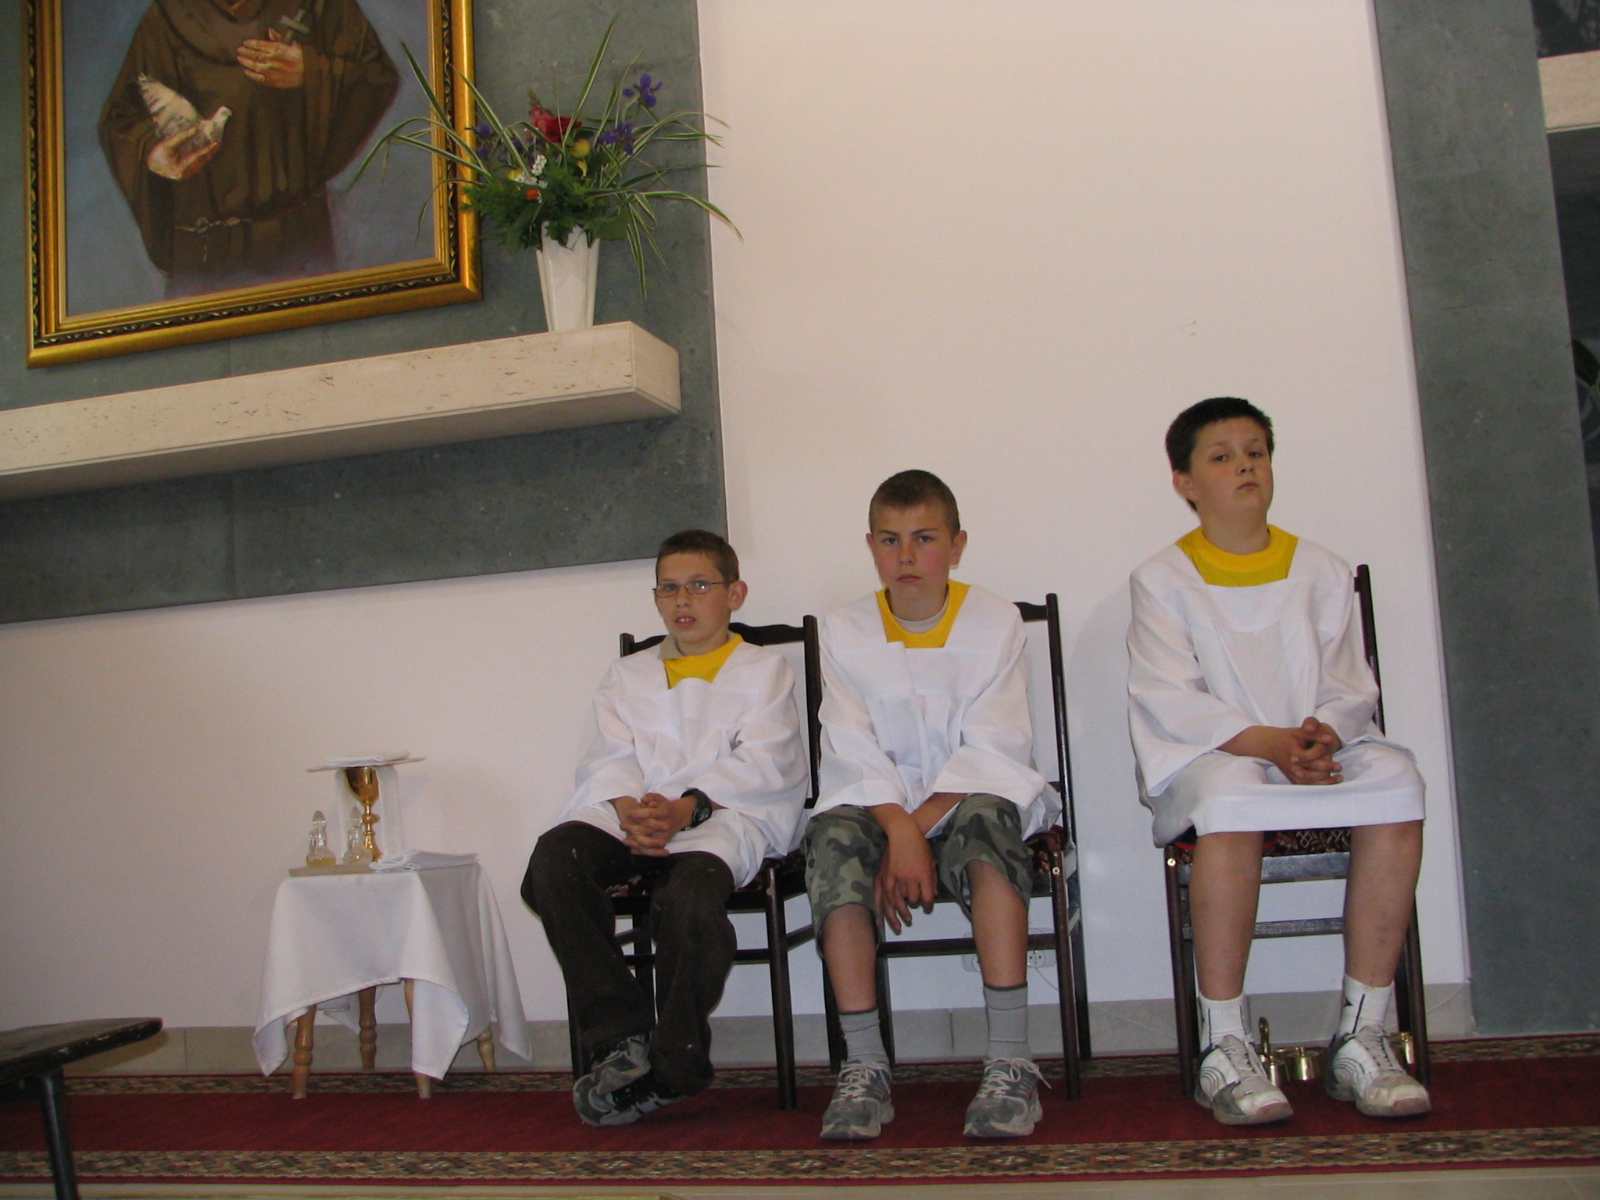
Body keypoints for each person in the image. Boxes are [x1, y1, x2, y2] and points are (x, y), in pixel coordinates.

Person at [1126, 396, 1431, 1126]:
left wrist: (1324, 733)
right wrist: (1267, 744)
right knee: (1232, 802)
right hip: (1219, 757)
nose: (1245, 467)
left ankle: (1362, 1033)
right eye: (1222, 456)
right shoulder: (1162, 580)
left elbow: (1349, 684)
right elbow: (1171, 699)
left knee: (1398, 782)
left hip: (1316, 751)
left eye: (1256, 453)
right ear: (1185, 482)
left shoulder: (1321, 568)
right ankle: (1224, 1044)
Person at [804, 470, 1059, 1140]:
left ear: (957, 544)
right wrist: (898, 829)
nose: (907, 556)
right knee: (831, 840)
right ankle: (864, 1065)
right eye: (890, 540)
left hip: (967, 795)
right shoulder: (845, 629)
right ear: (871, 546)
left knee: (989, 821)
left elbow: (995, 745)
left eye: (924, 538)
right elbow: (850, 746)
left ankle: (1009, 1061)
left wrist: (913, 830)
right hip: (878, 807)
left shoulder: (994, 621)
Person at [521, 530, 808, 1127]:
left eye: (699, 585)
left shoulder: (765, 671)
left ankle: (677, 1061)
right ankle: (621, 1036)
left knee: (690, 895)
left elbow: (767, 760)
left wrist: (686, 809)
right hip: (632, 816)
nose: (683, 600)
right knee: (554, 862)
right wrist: (628, 807)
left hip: (721, 816)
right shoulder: (627, 674)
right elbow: (608, 754)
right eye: (669, 588)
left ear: (735, 594)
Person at [97, 0, 400, 295]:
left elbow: (377, 78)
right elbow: (121, 120)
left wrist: (312, 71)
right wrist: (153, 153)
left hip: (297, 244)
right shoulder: (166, 17)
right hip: (203, 254)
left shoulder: (318, 5)